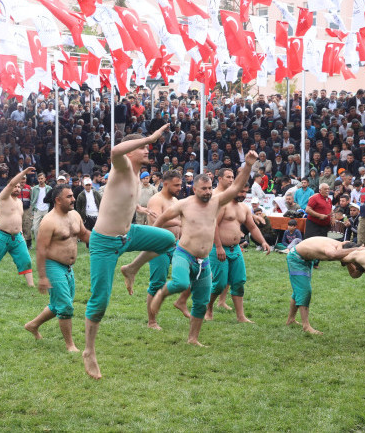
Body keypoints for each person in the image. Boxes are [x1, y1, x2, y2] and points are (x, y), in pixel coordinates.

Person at [82, 124, 177, 379]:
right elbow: (115, 150)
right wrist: (151, 136)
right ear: (132, 151)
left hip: (129, 235)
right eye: (143, 147)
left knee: (168, 239)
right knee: (100, 300)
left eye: (148, 146)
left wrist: (141, 209)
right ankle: (89, 351)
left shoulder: (138, 177)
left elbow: (122, 199)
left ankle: (131, 267)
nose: (148, 150)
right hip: (104, 242)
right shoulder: (122, 167)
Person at [145, 152, 257, 347]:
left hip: (204, 261)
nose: (207, 192)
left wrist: (247, 165)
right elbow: (161, 219)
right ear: (194, 189)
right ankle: (162, 294)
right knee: (180, 282)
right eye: (203, 188)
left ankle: (193, 339)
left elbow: (238, 186)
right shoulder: (183, 205)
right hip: (184, 254)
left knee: (201, 303)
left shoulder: (216, 202)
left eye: (209, 188)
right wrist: (153, 236)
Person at [24, 185, 91, 351]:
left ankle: (33, 325)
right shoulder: (48, 221)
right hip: (52, 265)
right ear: (58, 200)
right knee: (66, 306)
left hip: (68, 267)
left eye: (72, 196)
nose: (73, 199)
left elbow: (83, 234)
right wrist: (42, 277)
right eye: (69, 197)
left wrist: (104, 239)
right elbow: (41, 250)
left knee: (59, 303)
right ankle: (70, 345)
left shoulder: (75, 215)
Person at [205, 182, 272, 323]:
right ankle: (208, 307)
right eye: (240, 191)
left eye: (245, 192)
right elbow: (213, 225)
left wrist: (263, 242)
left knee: (239, 281)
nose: (242, 194)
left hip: (235, 249)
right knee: (219, 284)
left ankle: (240, 316)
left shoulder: (244, 208)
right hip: (219, 248)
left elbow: (252, 227)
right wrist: (218, 246)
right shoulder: (223, 205)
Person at [285, 237, 363, 334]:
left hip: (307, 260)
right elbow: (332, 254)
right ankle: (306, 326)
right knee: (304, 291)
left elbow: (354, 274)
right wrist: (357, 250)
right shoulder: (331, 249)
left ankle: (290, 320)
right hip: (296, 258)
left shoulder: (343, 246)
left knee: (299, 289)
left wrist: (362, 267)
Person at [143, 170, 183, 330]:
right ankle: (151, 321)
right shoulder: (156, 200)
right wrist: (178, 224)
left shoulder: (175, 200)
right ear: (166, 184)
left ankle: (181, 302)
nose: (180, 187)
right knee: (157, 283)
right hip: (158, 246)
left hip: (176, 245)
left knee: (191, 274)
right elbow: (155, 222)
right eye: (177, 185)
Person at [0, 166, 36, 287]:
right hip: (2, 235)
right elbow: (11, 183)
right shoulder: (4, 197)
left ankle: (31, 286)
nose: (17, 188)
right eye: (15, 186)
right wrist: (24, 172)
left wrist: (21, 235)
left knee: (26, 260)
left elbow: (18, 220)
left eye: (19, 187)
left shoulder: (19, 202)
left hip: (17, 237)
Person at [30, 173, 52, 245]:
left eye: (42, 178)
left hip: (47, 209)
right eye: (39, 179)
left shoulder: (49, 188)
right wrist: (33, 210)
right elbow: (32, 200)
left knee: (48, 228)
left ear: (45, 179)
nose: (40, 180)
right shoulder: (34, 189)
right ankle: (38, 244)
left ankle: (47, 243)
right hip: (37, 209)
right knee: (36, 228)